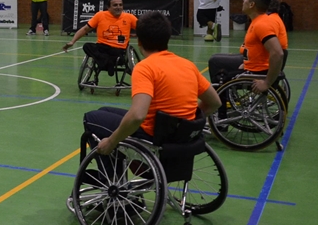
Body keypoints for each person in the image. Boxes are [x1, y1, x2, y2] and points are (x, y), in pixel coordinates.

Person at [81, 11, 221, 158]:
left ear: (139, 41)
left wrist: (111, 142)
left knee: (91, 117)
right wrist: (185, 123)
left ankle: (107, 177)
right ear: (167, 38)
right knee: (105, 110)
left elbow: (137, 115)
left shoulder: (145, 68)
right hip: (180, 136)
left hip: (154, 137)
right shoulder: (188, 65)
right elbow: (214, 102)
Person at [62, 0, 137, 75]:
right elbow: (85, 29)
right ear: (108, 7)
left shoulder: (129, 17)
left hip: (119, 50)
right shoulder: (100, 15)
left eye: (120, 5)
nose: (118, 7)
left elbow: (143, 28)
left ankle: (106, 63)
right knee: (87, 46)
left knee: (113, 55)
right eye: (115, 5)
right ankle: (108, 63)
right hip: (102, 47)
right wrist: (72, 41)